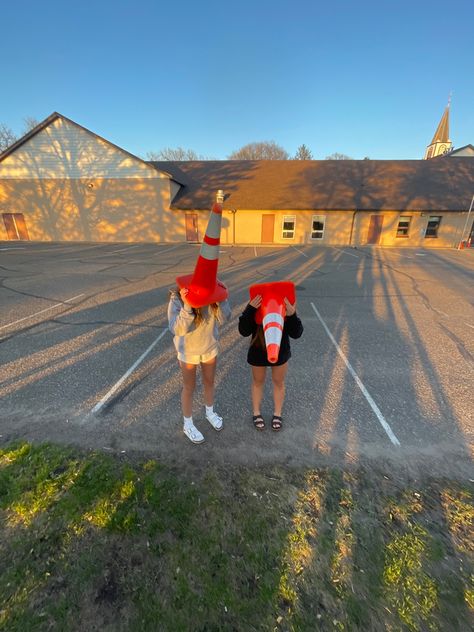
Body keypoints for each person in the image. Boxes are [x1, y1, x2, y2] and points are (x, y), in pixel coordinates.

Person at [168, 286, 231, 443]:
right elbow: (176, 328)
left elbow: (225, 318)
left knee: (209, 382)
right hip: (188, 351)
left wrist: (222, 298)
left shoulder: (211, 292)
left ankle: (210, 412)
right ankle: (188, 424)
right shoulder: (177, 297)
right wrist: (188, 305)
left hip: (209, 347)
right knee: (189, 387)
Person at [238, 294, 303, 431]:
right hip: (258, 350)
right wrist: (250, 309)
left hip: (280, 350)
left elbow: (296, 333)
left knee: (278, 382)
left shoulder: (284, 306)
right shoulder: (257, 304)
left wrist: (292, 314)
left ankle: (277, 414)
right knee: (258, 382)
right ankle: (256, 412)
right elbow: (243, 331)